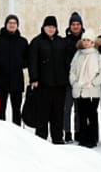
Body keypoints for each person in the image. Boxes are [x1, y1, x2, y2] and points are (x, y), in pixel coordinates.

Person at [28, 16, 68, 144]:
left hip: (59, 85)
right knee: (42, 112)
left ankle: (57, 137)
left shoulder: (62, 42)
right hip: (43, 84)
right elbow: (32, 61)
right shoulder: (36, 42)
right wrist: (34, 78)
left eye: (53, 27)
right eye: (48, 26)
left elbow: (67, 62)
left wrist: (67, 78)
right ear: (44, 27)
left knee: (58, 113)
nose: (51, 29)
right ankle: (41, 137)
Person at [69, 29, 101, 148]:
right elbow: (73, 70)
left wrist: (94, 83)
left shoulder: (97, 56)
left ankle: (92, 138)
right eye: (84, 40)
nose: (86, 42)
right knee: (82, 115)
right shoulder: (77, 55)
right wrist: (74, 82)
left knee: (92, 115)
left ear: (92, 42)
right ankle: (83, 138)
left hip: (92, 91)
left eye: (88, 40)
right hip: (80, 90)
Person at [0, 14, 28, 125]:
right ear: (6, 24)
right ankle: (2, 133)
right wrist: (1, 63)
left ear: (17, 25)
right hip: (1, 80)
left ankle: (16, 134)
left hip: (17, 80)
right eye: (10, 23)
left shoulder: (22, 41)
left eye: (14, 23)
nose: (12, 25)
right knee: (0, 109)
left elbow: (27, 59)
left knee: (16, 110)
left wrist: (19, 63)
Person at [64, 12, 84, 143]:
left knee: (79, 109)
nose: (75, 26)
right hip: (67, 81)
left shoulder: (86, 41)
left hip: (82, 81)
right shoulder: (64, 41)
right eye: (73, 24)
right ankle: (67, 132)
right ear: (70, 26)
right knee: (67, 108)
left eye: (78, 24)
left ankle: (78, 131)